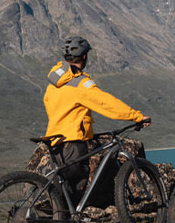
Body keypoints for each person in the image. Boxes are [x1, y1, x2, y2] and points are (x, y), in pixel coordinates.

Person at [44, 35, 150, 196]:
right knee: (78, 184)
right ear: (85, 56)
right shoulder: (80, 84)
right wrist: (136, 116)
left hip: (54, 139)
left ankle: (62, 219)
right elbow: (106, 103)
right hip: (72, 142)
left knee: (64, 187)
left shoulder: (55, 83)